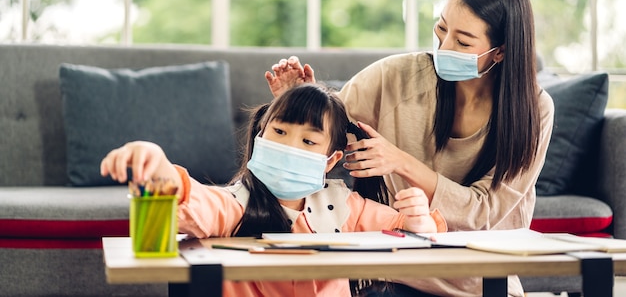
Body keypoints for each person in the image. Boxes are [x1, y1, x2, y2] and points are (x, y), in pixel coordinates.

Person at [265, 0, 555, 297]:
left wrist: (400, 162)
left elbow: (484, 214)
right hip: (394, 272)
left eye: (462, 41)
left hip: (481, 279)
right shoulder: (396, 77)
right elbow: (324, 135)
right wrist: (301, 105)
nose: (444, 47)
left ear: (500, 51)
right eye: (441, 29)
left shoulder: (534, 110)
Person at [100, 83, 447, 297]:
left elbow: (402, 227)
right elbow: (200, 204)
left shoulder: (343, 205)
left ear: (331, 161)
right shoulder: (239, 202)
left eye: (309, 141)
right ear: (260, 135)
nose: (291, 147)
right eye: (279, 133)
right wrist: (161, 170)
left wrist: (421, 223)